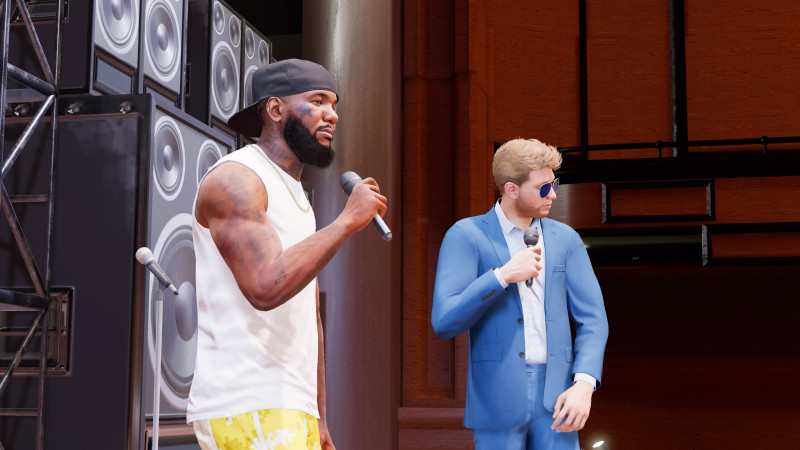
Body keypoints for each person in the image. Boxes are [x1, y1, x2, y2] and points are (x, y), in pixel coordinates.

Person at [187, 59, 386, 450]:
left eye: (334, 104)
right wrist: (346, 221)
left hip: (291, 404)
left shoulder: (295, 194)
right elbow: (265, 286)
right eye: (318, 101)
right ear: (275, 109)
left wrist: (319, 416)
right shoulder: (236, 178)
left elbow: (309, 313)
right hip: (246, 400)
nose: (333, 115)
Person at [431, 138, 608, 449]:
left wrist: (584, 383)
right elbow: (444, 321)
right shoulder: (466, 235)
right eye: (543, 187)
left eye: (554, 183)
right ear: (511, 189)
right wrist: (501, 277)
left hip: (559, 397)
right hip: (495, 397)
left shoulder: (566, 239)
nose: (553, 194)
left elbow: (593, 320)